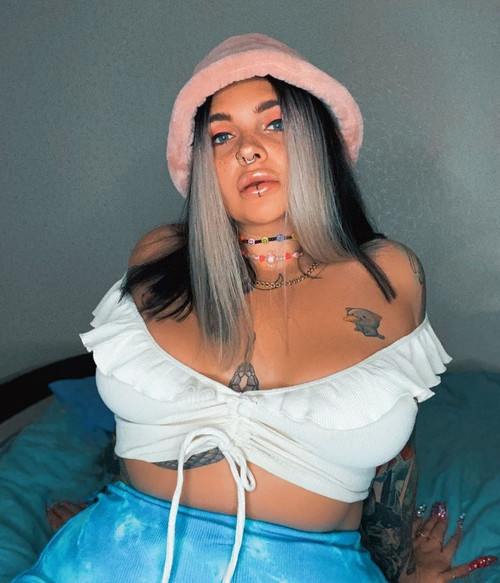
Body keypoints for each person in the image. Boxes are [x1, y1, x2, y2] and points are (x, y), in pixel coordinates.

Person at [13, 33, 497, 583]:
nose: (247, 149)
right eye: (222, 135)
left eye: (275, 124)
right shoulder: (160, 257)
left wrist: (402, 567)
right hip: (112, 558)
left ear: (318, 141)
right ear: (203, 165)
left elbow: (393, 448)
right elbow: (136, 421)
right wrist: (108, 515)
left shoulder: (388, 274)